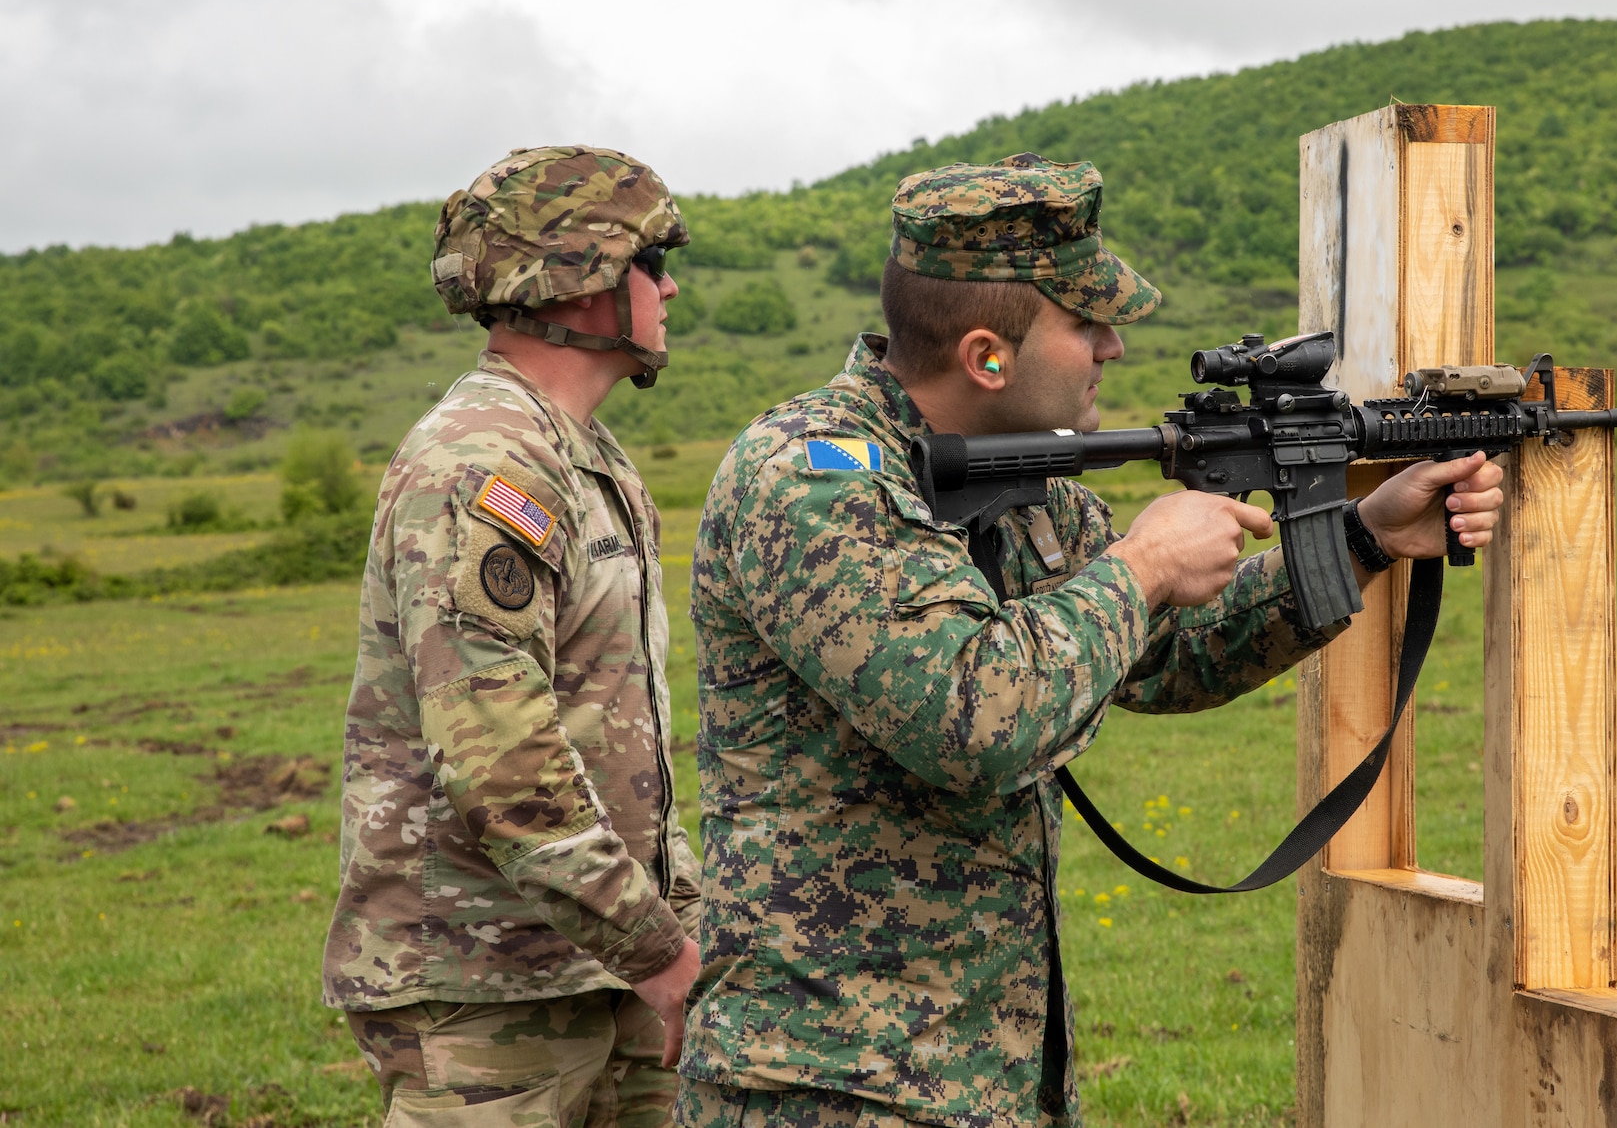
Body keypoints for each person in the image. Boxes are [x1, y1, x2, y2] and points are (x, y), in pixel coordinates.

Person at [677, 154, 1505, 1128]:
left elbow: (1167, 653)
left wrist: (1363, 536)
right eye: (1084, 322)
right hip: (824, 1086)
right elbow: (974, 717)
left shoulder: (1029, 498)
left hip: (980, 1078)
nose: (1112, 345)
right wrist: (1141, 565)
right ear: (986, 355)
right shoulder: (811, 476)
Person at [323, 145, 704, 1126]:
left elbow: (613, 732)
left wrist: (673, 917)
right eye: (648, 260)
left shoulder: (581, 453)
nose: (669, 285)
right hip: (487, 979)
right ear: (572, 282)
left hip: (593, 963)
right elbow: (498, 758)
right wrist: (656, 947)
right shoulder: (483, 460)